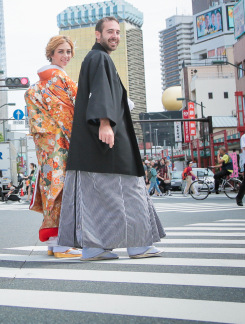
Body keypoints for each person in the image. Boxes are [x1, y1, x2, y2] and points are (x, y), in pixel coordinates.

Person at [57, 18, 165, 261]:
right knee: (130, 189)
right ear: (98, 35)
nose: (115, 36)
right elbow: (101, 91)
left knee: (97, 195)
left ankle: (94, 247)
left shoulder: (96, 58)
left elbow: (100, 92)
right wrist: (105, 123)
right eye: (110, 32)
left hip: (94, 142)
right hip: (109, 138)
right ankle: (138, 244)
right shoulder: (99, 58)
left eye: (117, 32)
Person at [24, 35, 80, 257]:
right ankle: (60, 244)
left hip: (45, 146)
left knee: (50, 188)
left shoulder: (38, 84)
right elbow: (82, 102)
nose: (66, 56)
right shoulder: (59, 80)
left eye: (68, 52)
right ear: (51, 54)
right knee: (62, 188)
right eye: (61, 52)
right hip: (60, 142)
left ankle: (53, 242)